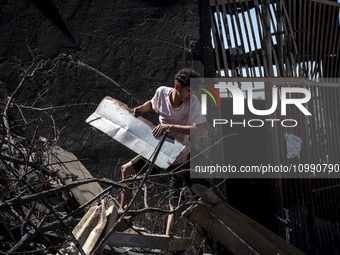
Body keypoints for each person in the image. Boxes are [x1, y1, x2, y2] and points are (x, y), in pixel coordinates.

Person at [120, 68, 206, 235]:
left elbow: (200, 129)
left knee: (174, 201)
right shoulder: (161, 93)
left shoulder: (193, 103)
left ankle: (169, 240)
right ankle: (123, 215)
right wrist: (139, 110)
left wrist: (170, 127)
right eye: (189, 90)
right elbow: (152, 104)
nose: (191, 94)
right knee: (126, 170)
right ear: (177, 87)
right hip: (159, 150)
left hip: (179, 156)